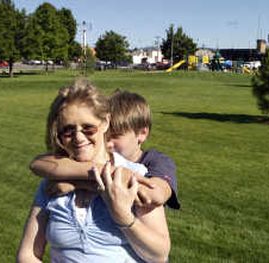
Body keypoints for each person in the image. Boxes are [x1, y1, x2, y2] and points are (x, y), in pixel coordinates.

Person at [17, 80, 170, 262]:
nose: (78, 137)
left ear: (105, 123)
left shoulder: (133, 174)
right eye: (68, 130)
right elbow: (28, 254)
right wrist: (79, 181)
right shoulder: (52, 182)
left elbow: (159, 255)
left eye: (88, 128)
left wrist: (124, 217)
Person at [30, 90, 180, 210]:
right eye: (103, 134)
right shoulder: (103, 159)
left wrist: (77, 183)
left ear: (142, 133)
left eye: (114, 136)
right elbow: (39, 163)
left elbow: (154, 195)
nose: (106, 143)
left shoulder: (156, 162)